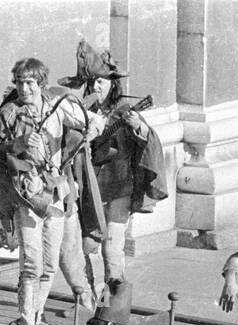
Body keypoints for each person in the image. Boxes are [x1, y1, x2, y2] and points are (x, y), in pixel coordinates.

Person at [0, 57, 105, 325]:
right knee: (30, 264)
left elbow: (90, 124)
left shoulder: (56, 107)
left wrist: (90, 128)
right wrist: (17, 144)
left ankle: (36, 318)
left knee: (48, 266)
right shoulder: (9, 113)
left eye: (30, 82)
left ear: (40, 83)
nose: (24, 88)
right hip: (26, 195)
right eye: (20, 82)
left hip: (56, 193)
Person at [59, 40, 167, 286]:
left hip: (118, 189)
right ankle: (85, 299)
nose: (97, 86)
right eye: (93, 81)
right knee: (81, 247)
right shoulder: (79, 110)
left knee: (112, 250)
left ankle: (111, 310)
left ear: (113, 83)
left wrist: (137, 126)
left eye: (102, 81)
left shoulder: (124, 109)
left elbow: (149, 140)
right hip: (87, 189)